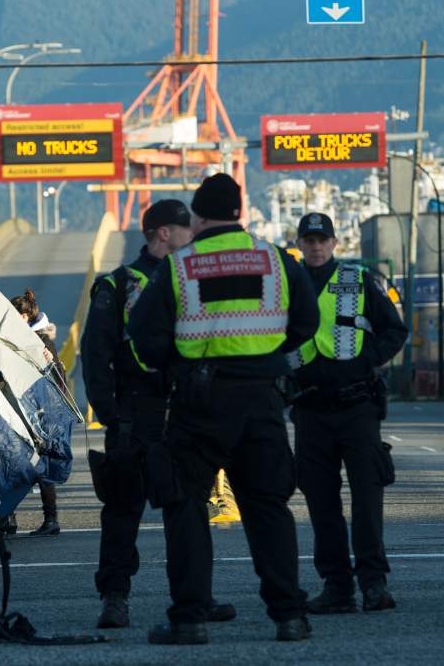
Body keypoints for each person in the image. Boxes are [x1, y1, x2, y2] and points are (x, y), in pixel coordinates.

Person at [128, 172, 319, 645]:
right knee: (269, 508)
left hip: (199, 401)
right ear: (240, 212)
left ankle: (190, 619)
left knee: (186, 507)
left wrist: (178, 365)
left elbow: (145, 335)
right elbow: (307, 321)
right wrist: (267, 354)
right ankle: (289, 617)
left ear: (197, 216)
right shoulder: (275, 260)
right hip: (261, 398)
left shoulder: (178, 267)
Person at [83, 198, 236, 630]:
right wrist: (112, 416)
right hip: (134, 414)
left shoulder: (191, 279)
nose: (194, 236)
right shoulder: (116, 286)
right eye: (186, 230)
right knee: (122, 510)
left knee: (186, 510)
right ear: (164, 233)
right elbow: (96, 357)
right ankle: (115, 599)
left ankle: (196, 598)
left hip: (182, 411)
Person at [289, 211, 408, 614]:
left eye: (323, 239)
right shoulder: (288, 285)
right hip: (310, 408)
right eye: (309, 240)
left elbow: (394, 329)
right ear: (300, 244)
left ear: (335, 243)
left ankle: (374, 584)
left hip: (358, 406)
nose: (316, 246)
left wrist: (366, 361)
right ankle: (337, 587)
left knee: (367, 501)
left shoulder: (358, 281)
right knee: (322, 504)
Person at [11, 288, 61, 537]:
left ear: (24, 317)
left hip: (41, 413)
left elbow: (56, 379)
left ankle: (50, 519)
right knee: (15, 463)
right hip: (25, 410)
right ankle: (9, 518)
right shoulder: (22, 340)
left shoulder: (40, 342)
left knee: (40, 466)